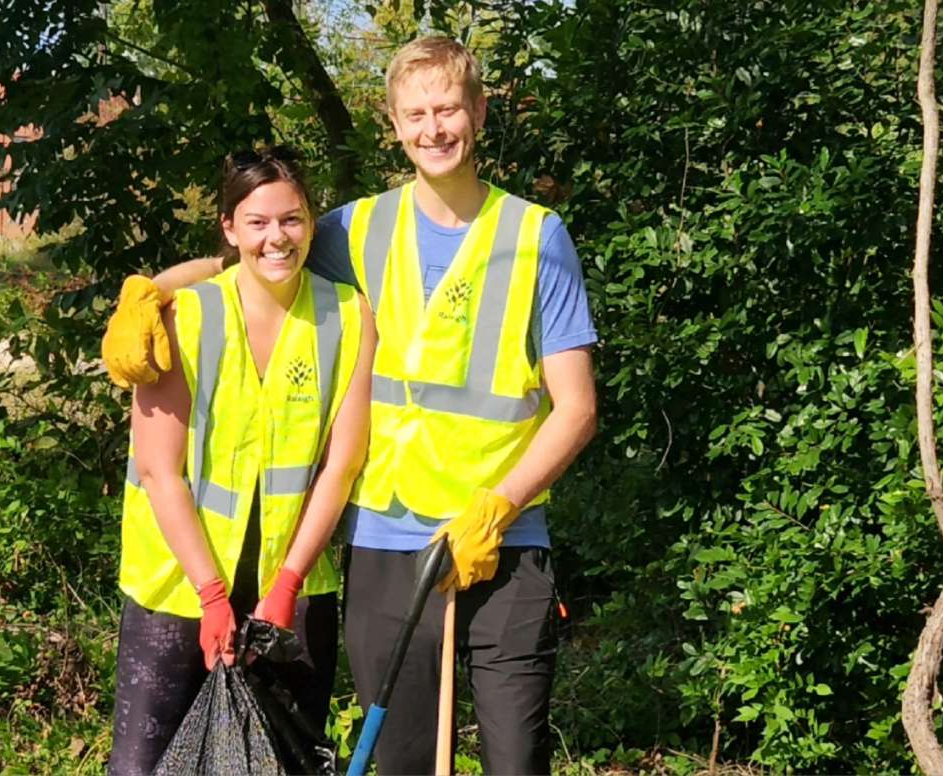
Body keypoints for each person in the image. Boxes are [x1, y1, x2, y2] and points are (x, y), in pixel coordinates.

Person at [104, 37, 597, 775]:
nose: (434, 129)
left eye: (449, 109)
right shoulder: (356, 230)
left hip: (503, 537)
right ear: (394, 125)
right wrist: (150, 292)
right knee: (399, 761)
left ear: (480, 113)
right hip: (389, 542)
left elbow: (577, 408)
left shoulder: (535, 237)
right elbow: (260, 252)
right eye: (416, 113)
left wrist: (498, 506)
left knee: (516, 760)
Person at [106, 148, 375, 776]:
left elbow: (342, 464)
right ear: (229, 229)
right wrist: (211, 595)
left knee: (286, 763)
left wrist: (287, 585)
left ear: (310, 223)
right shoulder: (184, 316)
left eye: (292, 220)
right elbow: (159, 470)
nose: (277, 238)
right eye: (257, 223)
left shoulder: (347, 316)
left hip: (292, 592)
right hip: (177, 589)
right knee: (147, 765)